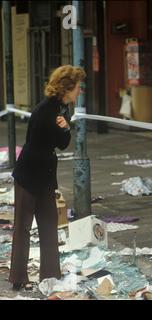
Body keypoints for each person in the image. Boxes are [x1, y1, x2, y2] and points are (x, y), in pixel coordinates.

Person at [9, 65, 86, 289]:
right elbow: (36, 143)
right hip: (28, 174)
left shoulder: (63, 109)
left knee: (49, 224)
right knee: (22, 227)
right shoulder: (45, 110)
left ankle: (50, 275)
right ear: (67, 88)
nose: (79, 91)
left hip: (45, 176)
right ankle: (18, 278)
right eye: (78, 87)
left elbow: (62, 144)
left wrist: (65, 128)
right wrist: (58, 127)